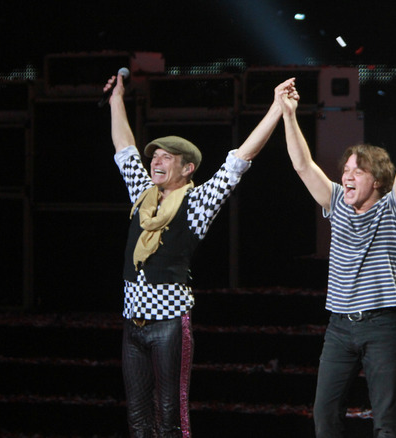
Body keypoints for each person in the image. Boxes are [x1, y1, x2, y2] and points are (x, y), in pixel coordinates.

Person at [104, 71, 295, 437]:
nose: (155, 161)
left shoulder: (196, 203)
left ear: (187, 168)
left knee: (169, 417)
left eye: (166, 158)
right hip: (133, 325)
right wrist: (116, 100)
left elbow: (239, 160)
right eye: (155, 156)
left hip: (169, 325)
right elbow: (124, 148)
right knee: (138, 421)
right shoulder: (143, 194)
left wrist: (275, 108)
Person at [277, 80, 396, 438]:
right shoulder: (337, 201)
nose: (347, 176)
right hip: (339, 326)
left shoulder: (392, 208)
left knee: (385, 418)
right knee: (324, 414)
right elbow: (302, 166)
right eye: (346, 169)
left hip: (380, 325)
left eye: (358, 170)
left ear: (377, 180)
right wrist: (288, 115)